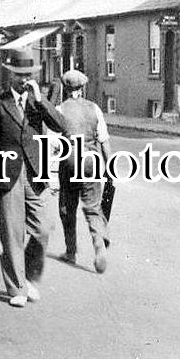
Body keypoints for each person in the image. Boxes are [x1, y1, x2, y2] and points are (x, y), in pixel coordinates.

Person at [0, 47, 68, 308]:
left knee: (42, 228)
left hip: (34, 172)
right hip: (7, 173)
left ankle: (28, 277)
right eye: (19, 74)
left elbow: (61, 126)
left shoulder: (36, 103)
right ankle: (16, 287)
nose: (24, 79)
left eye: (28, 74)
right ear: (10, 75)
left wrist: (40, 99)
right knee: (11, 232)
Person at [55, 69, 111, 272]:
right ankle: (98, 246)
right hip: (91, 161)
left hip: (70, 161)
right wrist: (109, 167)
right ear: (83, 87)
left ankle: (71, 252)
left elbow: (53, 144)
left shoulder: (60, 110)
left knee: (67, 207)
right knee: (93, 207)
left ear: (65, 88)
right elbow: (104, 141)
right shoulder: (94, 108)